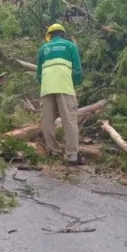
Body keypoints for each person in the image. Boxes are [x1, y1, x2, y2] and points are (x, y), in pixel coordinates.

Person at [36, 23, 84, 165]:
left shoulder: (43, 49)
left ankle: (53, 151)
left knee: (48, 121)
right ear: (63, 34)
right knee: (69, 121)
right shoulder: (70, 46)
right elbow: (77, 71)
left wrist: (45, 85)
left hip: (46, 88)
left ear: (50, 36)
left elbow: (38, 75)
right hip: (64, 86)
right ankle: (72, 156)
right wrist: (75, 83)